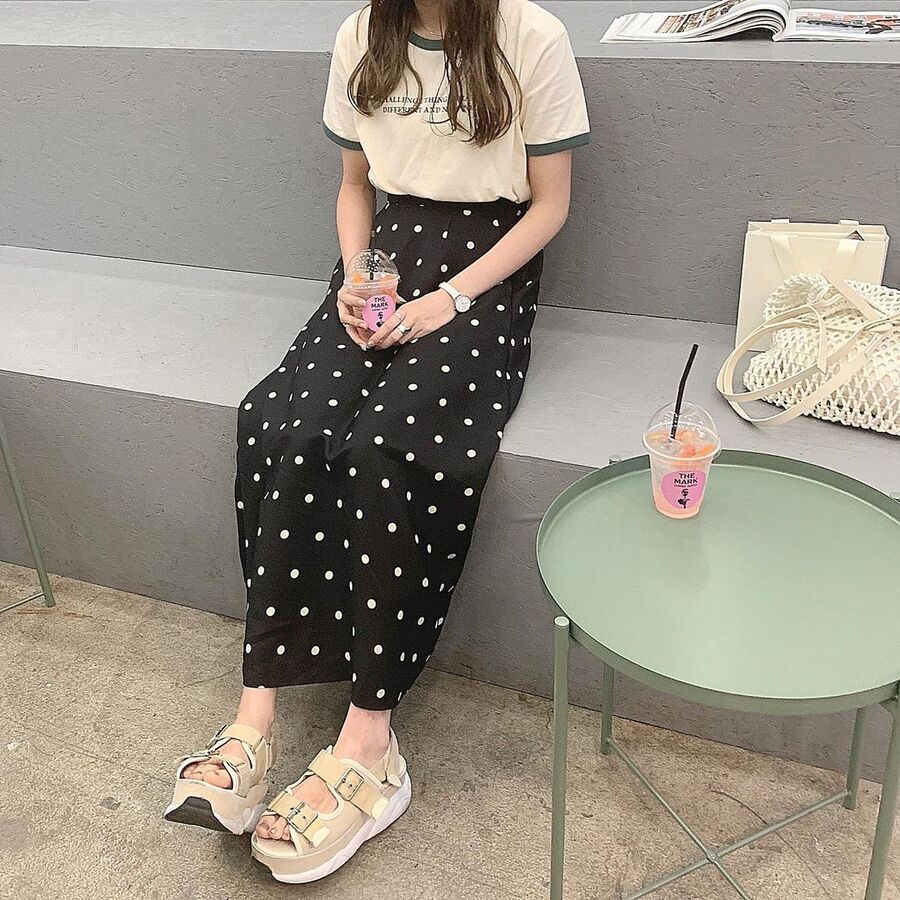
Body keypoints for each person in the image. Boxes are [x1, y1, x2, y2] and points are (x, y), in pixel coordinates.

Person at [166, 0, 589, 883]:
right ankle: (254, 719)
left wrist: (451, 301)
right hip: (388, 253)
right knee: (282, 424)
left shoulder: (531, 36)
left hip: (488, 270)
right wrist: (357, 278)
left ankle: (371, 741)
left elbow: (550, 206)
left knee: (387, 445)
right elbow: (355, 184)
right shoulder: (363, 33)